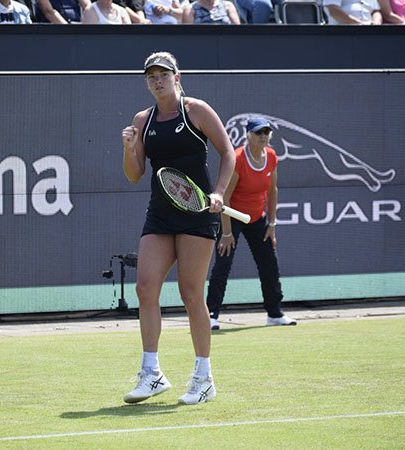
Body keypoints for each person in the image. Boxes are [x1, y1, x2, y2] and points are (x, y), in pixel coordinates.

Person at [121, 51, 235, 405]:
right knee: (145, 287)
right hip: (160, 213)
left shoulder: (196, 110)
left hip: (197, 213)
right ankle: (151, 374)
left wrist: (217, 192)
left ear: (177, 77)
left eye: (163, 74)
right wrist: (129, 147)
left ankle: (204, 378)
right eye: (151, 76)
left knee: (190, 294)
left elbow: (228, 153)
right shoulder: (143, 119)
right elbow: (134, 173)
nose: (157, 81)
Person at [206, 116, 297, 330]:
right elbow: (225, 198)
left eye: (266, 133)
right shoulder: (238, 159)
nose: (263, 137)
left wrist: (271, 224)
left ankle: (274, 313)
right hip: (233, 217)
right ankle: (210, 315)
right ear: (248, 135)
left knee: (269, 264)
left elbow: (272, 191)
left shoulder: (272, 156)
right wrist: (226, 233)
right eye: (258, 133)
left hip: (257, 219)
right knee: (223, 264)